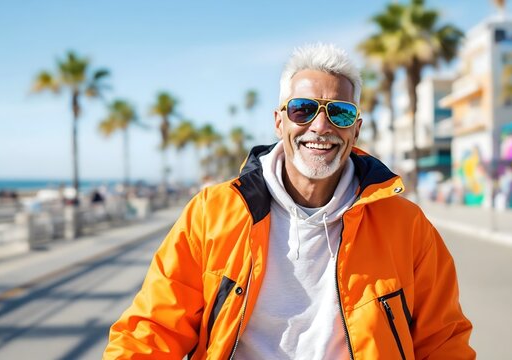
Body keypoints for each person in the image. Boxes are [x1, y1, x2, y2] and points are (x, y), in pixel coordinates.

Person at [103, 43, 475, 359]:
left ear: (356, 129)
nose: (320, 126)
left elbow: (443, 342)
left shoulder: (406, 225)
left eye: (340, 113)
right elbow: (151, 330)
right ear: (279, 121)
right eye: (303, 109)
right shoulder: (212, 213)